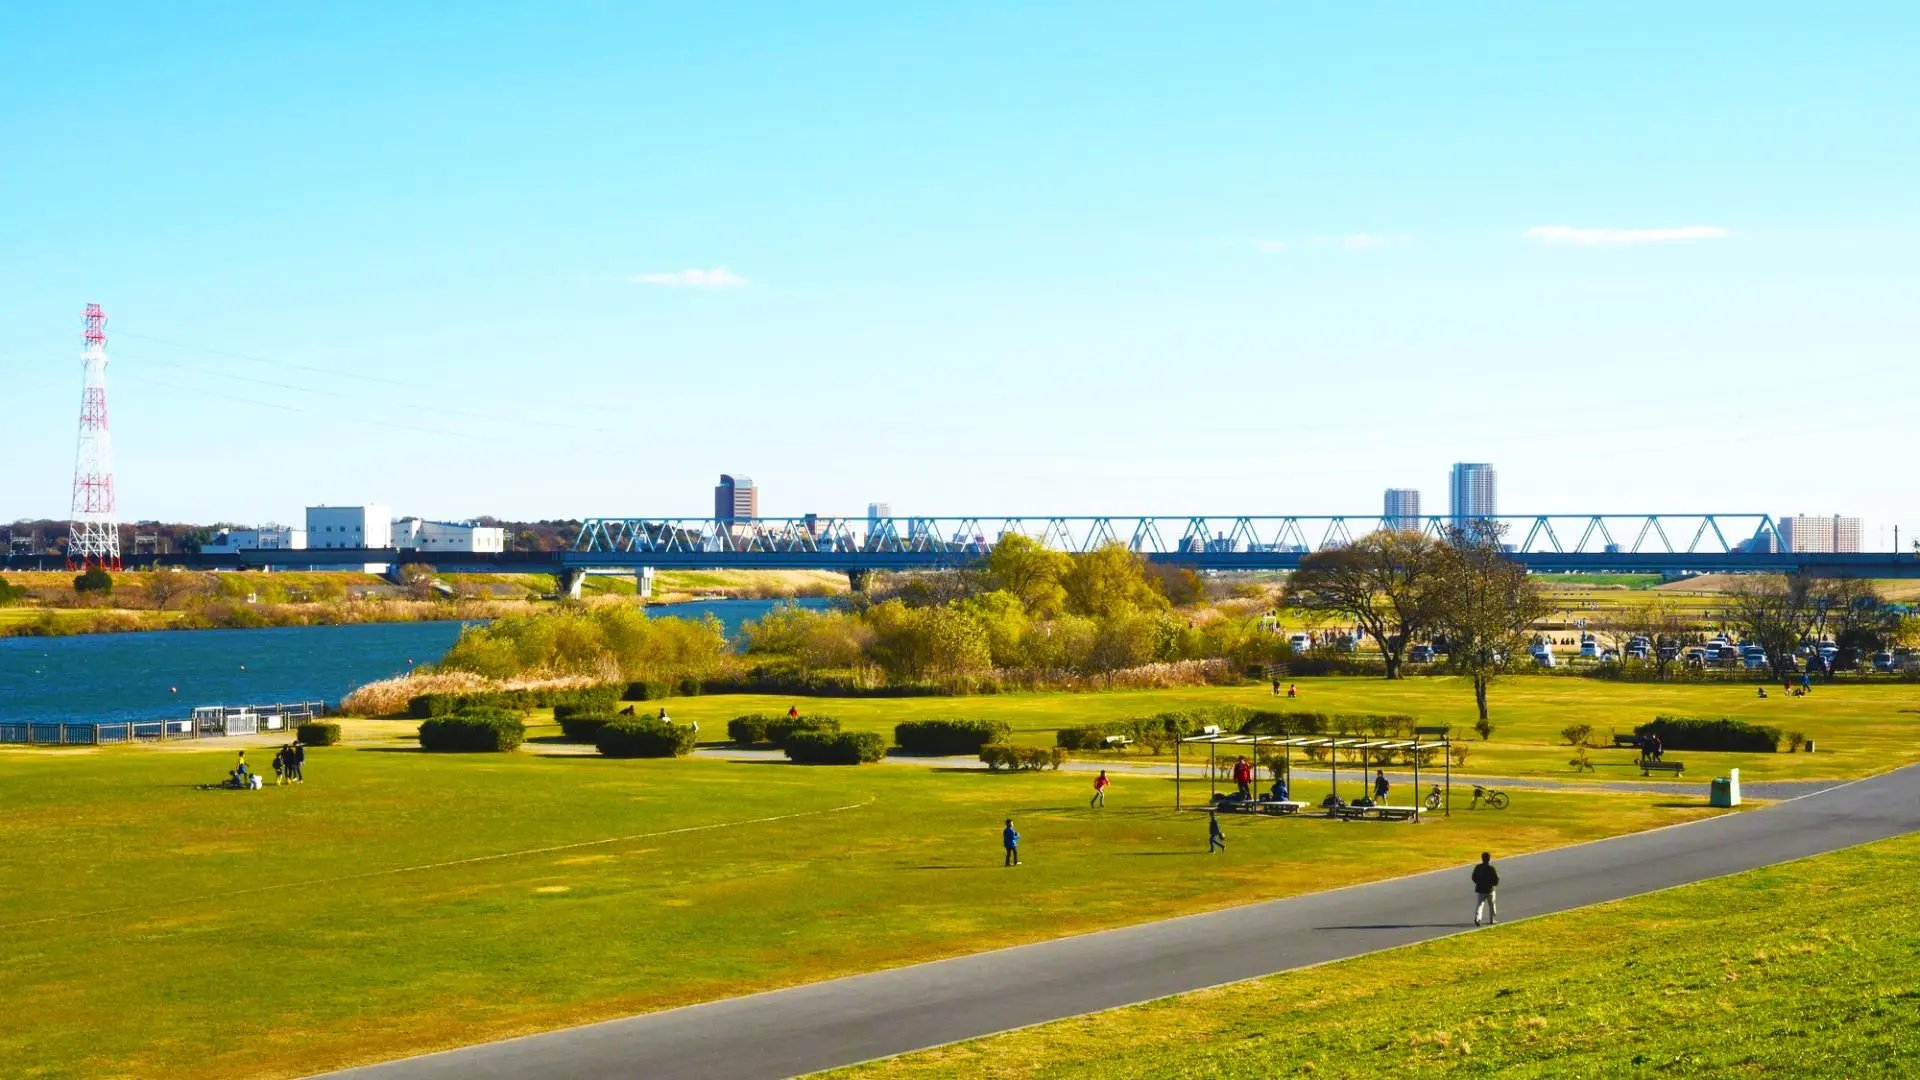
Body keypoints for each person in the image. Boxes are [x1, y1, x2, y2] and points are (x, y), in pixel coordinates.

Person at [1472, 852, 1499, 926]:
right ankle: (1492, 920)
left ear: (1482, 859)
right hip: (1490, 890)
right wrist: (1493, 885)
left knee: (1480, 905)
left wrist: (1478, 883)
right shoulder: (1491, 868)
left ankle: (1477, 918)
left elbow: (1473, 877)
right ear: (1489, 859)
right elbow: (1496, 879)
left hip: (1480, 889)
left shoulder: (1478, 867)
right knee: (1492, 904)